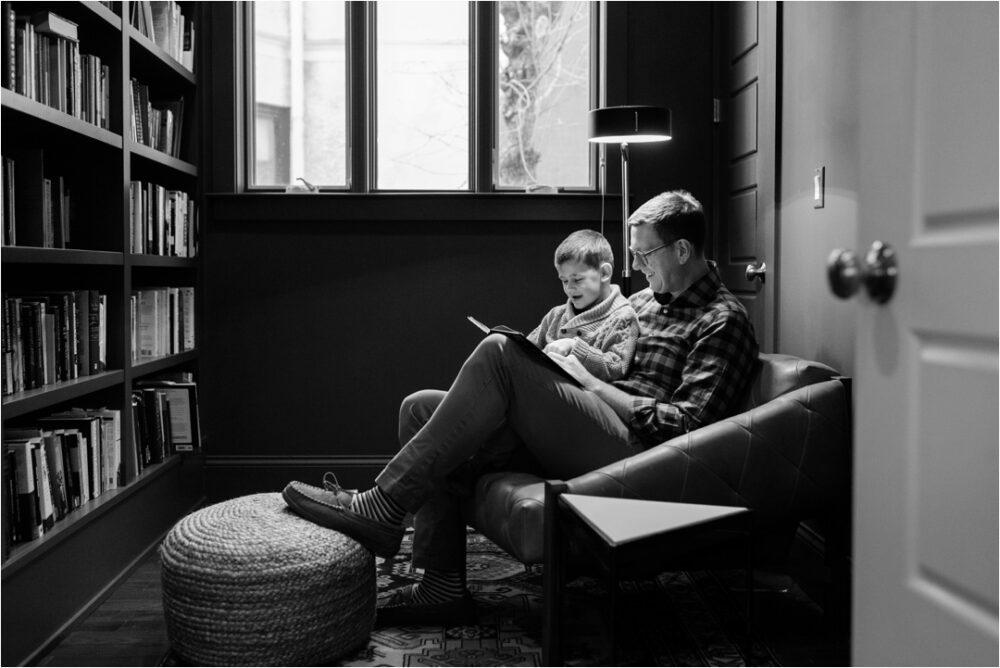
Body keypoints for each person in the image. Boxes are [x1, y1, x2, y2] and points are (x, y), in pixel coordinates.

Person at [282, 189, 759, 627]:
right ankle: (441, 586)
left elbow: (686, 427)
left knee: (499, 350)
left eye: (644, 253)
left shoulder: (722, 320)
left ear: (681, 250)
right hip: (588, 427)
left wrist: (589, 382)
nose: (636, 262)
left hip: (637, 454)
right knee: (421, 408)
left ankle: (381, 506)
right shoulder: (644, 303)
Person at [527, 229, 639, 382]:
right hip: (541, 384)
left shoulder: (623, 317)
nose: (569, 288)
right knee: (498, 344)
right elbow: (526, 350)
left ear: (604, 273)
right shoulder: (556, 315)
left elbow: (616, 367)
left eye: (577, 280)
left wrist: (574, 346)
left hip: (581, 396)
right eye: (564, 281)